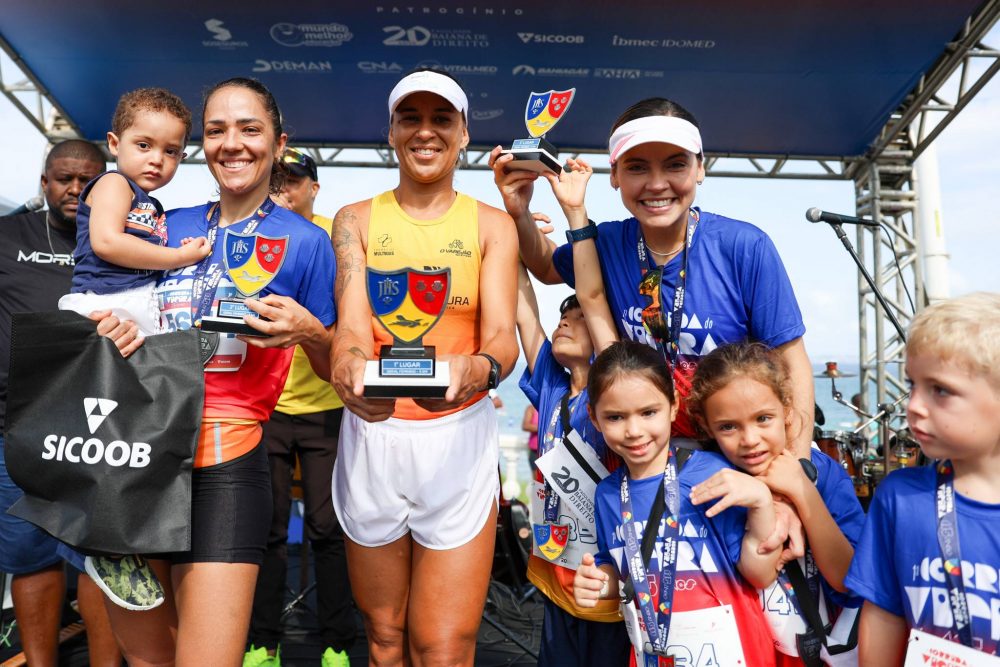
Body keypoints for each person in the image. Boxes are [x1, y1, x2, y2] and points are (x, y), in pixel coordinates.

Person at [100, 77, 336, 667]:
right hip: (136, 457)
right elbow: (103, 301)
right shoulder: (161, 223)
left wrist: (311, 331)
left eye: (249, 129)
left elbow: (338, 371)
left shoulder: (307, 243)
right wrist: (105, 328)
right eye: (216, 130)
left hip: (227, 463)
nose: (232, 143)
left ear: (279, 143)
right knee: (149, 659)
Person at [490, 97, 815, 459]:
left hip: (736, 457)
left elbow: (792, 362)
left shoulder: (744, 247)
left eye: (676, 165)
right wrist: (519, 213)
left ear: (700, 168)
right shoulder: (608, 243)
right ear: (614, 175)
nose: (657, 184)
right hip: (642, 457)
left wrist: (798, 465)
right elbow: (547, 267)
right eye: (637, 168)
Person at [330, 68, 518, 665]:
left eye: (442, 119)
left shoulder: (493, 224)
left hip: (458, 437)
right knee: (385, 638)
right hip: (374, 434)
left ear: (464, 134)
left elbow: (502, 340)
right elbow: (352, 330)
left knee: (444, 645)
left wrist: (479, 370)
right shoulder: (354, 219)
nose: (426, 132)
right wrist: (346, 368)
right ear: (391, 132)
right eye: (410, 118)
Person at [0, 139, 139, 666]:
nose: (76, 189)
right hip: (17, 424)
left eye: (88, 180)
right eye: (64, 178)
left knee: (97, 560)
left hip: (101, 428)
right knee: (28, 555)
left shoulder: (131, 241)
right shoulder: (7, 235)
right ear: (45, 183)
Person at [573, 341, 781, 665]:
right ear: (594, 418)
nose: (634, 431)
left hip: (734, 653)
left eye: (648, 412)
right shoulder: (607, 495)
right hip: (653, 654)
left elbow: (760, 575)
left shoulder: (716, 474)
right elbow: (620, 570)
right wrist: (599, 582)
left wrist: (762, 503)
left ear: (673, 405)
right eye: (615, 417)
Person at [687, 342, 865, 665]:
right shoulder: (710, 483)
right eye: (728, 427)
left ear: (787, 409)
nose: (750, 439)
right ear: (705, 425)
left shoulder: (824, 475)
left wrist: (802, 490)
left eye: (763, 419)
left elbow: (848, 579)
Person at [845, 292, 1000, 664]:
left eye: (940, 390)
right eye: (912, 384)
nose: (913, 405)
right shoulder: (898, 498)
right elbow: (884, 614)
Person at [245, 147, 355, 667]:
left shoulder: (338, 238)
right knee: (265, 530)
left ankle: (337, 643)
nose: (284, 190)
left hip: (326, 406)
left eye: (294, 181)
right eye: (277, 181)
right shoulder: (252, 233)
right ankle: (262, 642)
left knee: (328, 528)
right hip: (263, 406)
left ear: (315, 187)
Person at [515, 263, 630, 666]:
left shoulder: (614, 401)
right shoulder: (553, 388)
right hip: (555, 571)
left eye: (581, 317)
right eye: (564, 316)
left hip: (602, 580)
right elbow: (525, 314)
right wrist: (513, 239)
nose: (565, 322)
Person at [58, 87, 211, 337]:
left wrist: (181, 251)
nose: (157, 159)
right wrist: (178, 256)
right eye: (143, 145)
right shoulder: (113, 183)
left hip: (135, 302)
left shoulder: (151, 204)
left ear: (181, 157)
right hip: (107, 302)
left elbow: (146, 253)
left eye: (170, 151)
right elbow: (107, 242)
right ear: (114, 144)